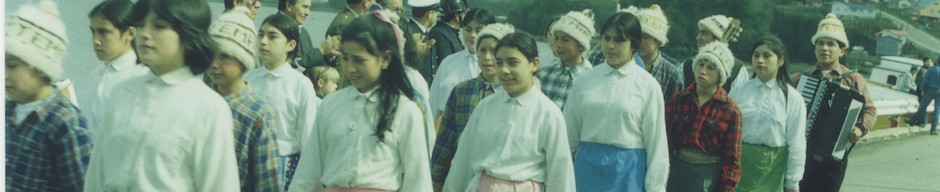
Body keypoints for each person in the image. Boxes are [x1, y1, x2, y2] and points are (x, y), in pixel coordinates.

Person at [83, 0, 240, 190]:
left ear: (188, 34)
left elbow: (219, 185)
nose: (145, 34)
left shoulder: (208, 107)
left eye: (159, 26)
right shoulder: (122, 93)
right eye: (141, 25)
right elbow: (96, 175)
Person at [288, 11, 432, 191]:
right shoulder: (331, 104)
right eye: (345, 58)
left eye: (359, 60)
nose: (350, 68)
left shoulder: (405, 111)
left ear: (386, 59)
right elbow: (308, 173)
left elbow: (418, 182)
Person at [443, 31, 575, 192]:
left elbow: (560, 175)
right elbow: (463, 161)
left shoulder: (549, 114)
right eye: (499, 63)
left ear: (534, 64)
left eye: (512, 63)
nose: (504, 70)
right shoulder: (485, 107)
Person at [563, 11, 668, 192]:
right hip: (586, 170)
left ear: (634, 44)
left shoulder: (648, 85)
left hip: (628, 172)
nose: (610, 46)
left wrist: (656, 188)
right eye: (606, 38)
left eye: (619, 40)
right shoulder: (584, 80)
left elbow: (657, 145)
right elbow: (567, 136)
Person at [6, 1, 92, 191]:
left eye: (11, 65)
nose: (4, 73)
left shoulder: (66, 124)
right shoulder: (8, 110)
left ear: (40, 68)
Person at [791, 13, 877, 192]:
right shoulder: (799, 79)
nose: (825, 48)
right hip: (799, 154)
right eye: (820, 43)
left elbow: (870, 110)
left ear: (842, 51)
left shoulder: (853, 79)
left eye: (831, 44)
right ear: (814, 48)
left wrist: (860, 129)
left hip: (833, 159)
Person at [430, 23, 513, 191]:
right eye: (482, 50)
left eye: (494, 50)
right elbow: (443, 146)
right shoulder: (462, 92)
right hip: (462, 177)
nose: (487, 57)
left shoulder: (513, 95)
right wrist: (434, 184)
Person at [207, 7, 281, 191]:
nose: (214, 64)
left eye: (225, 56)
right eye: (210, 54)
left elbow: (268, 182)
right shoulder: (198, 100)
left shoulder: (258, 113)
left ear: (244, 60)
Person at [246, 13, 322, 191]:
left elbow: (308, 137)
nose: (264, 41)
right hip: (249, 164)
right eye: (261, 35)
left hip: (284, 165)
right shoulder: (249, 79)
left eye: (272, 36)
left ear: (291, 44)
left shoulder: (300, 84)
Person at [730, 37, 806, 192]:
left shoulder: (792, 98)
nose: (760, 60)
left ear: (780, 61)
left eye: (766, 56)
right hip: (737, 166)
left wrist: (792, 183)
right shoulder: (739, 91)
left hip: (771, 172)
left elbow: (797, 143)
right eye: (756, 55)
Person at [666, 41, 742, 192]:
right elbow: (666, 142)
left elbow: (732, 160)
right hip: (676, 170)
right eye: (700, 64)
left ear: (721, 73)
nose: (703, 71)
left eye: (711, 67)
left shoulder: (731, 110)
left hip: (709, 175)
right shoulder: (678, 99)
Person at [84, 0, 150, 129]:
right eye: (93, 32)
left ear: (130, 33)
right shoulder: (95, 75)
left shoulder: (141, 77)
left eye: (103, 32)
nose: (96, 40)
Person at [429, 8, 496, 121]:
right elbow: (433, 103)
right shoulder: (448, 62)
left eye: (478, 30)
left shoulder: (497, 66)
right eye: (468, 29)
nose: (472, 35)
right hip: (447, 129)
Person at [537, 9, 596, 109]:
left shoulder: (592, 80)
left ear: (581, 45)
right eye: (556, 38)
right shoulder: (542, 74)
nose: (558, 45)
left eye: (565, 40)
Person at [682, 15, 748, 92]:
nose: (698, 37)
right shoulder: (686, 65)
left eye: (704, 33)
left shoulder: (737, 70)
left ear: (717, 37)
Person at [632, 4, 684, 101]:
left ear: (657, 40)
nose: (639, 41)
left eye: (645, 37)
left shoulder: (672, 75)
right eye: (637, 36)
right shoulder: (625, 64)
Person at [278, 0, 341, 71]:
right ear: (289, 5)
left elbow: (307, 65)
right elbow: (287, 68)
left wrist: (328, 54)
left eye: (309, 8)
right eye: (304, 7)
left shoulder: (303, 32)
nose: (308, 13)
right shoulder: (275, 30)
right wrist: (321, 51)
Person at [404, 0, 441, 82]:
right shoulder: (411, 34)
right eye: (436, 12)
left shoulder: (421, 32)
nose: (437, 15)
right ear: (430, 14)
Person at [429, 0, 469, 70]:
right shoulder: (439, 34)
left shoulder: (449, 32)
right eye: (465, 13)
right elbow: (447, 65)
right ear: (457, 16)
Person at [908, 56, 940, 135]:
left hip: (929, 91)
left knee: (922, 107)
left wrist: (922, 89)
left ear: (937, 60)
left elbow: (925, 80)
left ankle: (912, 121)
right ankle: (933, 130)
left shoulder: (931, 69)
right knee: (937, 110)